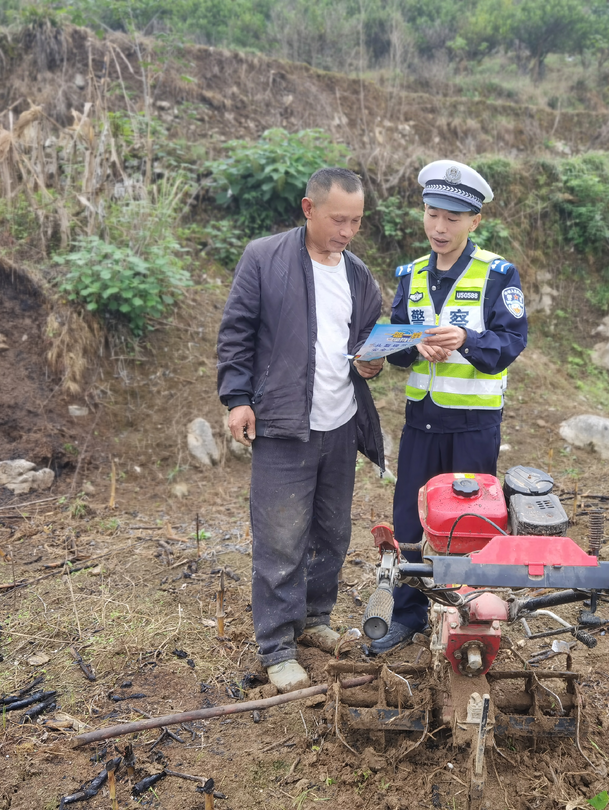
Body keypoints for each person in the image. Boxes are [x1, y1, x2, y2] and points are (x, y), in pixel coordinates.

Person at [216, 167, 386, 692]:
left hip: (339, 424)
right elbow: (236, 331)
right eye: (339, 219)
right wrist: (237, 398)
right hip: (285, 423)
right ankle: (277, 643)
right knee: (281, 538)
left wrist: (373, 364)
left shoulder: (358, 274)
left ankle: (315, 619)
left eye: (356, 221)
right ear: (309, 209)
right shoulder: (264, 258)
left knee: (332, 533)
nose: (347, 231)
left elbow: (369, 342)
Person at [371, 160, 528, 654]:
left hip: (473, 424)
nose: (440, 228)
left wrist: (465, 338)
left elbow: (509, 342)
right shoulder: (411, 274)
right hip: (421, 421)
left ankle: (466, 612)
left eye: (453, 218)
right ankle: (408, 614)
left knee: (470, 521)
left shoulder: (497, 274)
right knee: (410, 521)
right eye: (433, 214)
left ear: (474, 221)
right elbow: (393, 342)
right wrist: (411, 344)